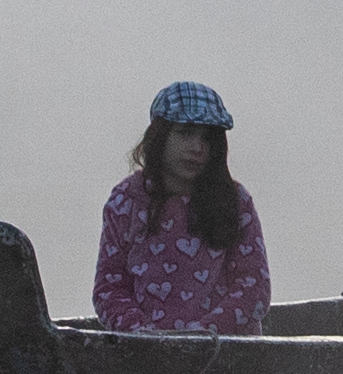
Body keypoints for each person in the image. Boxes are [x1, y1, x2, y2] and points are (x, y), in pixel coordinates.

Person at [88, 79, 273, 336]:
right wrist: (140, 332)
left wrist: (203, 334)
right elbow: (110, 288)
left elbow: (254, 290)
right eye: (185, 133)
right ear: (160, 136)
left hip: (226, 359)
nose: (197, 148)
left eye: (207, 139)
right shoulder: (126, 201)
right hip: (145, 358)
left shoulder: (235, 201)